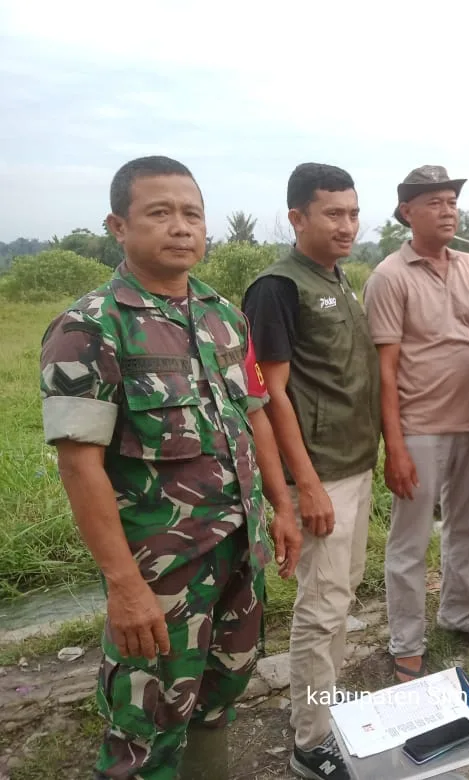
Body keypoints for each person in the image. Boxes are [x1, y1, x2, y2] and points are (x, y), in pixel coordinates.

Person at [40, 155, 301, 780]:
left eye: (192, 214)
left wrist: (282, 508)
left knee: (220, 696)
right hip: (160, 573)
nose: (181, 227)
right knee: (146, 722)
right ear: (118, 226)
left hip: (239, 552)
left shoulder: (223, 315)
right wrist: (125, 588)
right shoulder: (89, 327)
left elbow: (257, 416)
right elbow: (80, 468)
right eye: (159, 212)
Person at [242, 163, 381, 780]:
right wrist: (306, 487)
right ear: (297, 217)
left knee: (340, 598)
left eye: (352, 212)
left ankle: (319, 711)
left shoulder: (339, 279)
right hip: (320, 476)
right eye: (333, 213)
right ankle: (309, 743)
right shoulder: (278, 288)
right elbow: (271, 398)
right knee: (321, 608)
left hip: (356, 467)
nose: (347, 224)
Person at [364, 165, 469, 683]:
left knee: (468, 526)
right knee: (410, 540)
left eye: (451, 201)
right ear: (407, 212)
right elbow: (386, 368)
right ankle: (406, 640)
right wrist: (393, 446)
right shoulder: (388, 277)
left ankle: (459, 614)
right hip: (419, 427)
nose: (447, 211)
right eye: (435, 203)